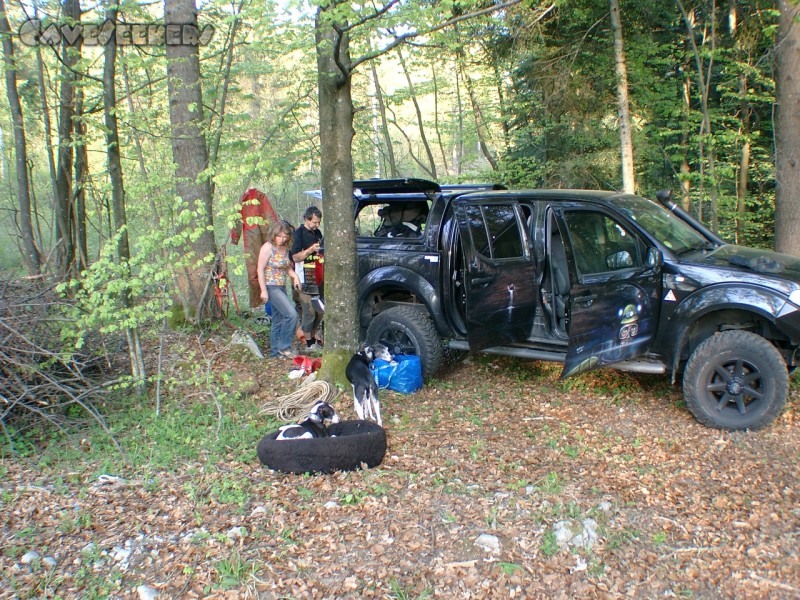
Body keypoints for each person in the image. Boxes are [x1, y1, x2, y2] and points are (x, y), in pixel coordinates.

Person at [230, 189, 279, 315]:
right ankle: (260, 302)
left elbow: (271, 218)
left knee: (260, 270)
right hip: (254, 237)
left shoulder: (258, 197)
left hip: (255, 237)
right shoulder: (251, 198)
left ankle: (264, 303)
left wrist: (235, 238)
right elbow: (272, 218)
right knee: (257, 270)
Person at [257, 221, 302, 358]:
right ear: (274, 235)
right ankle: (284, 347)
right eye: (279, 236)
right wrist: (263, 290)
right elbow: (260, 269)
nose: (282, 239)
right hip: (271, 286)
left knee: (277, 320)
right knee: (291, 314)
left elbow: (287, 267)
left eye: (285, 237)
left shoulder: (286, 249)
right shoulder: (268, 247)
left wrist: (295, 277)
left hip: (281, 286)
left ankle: (275, 353)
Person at [291, 206, 324, 353]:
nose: (316, 225)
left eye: (318, 222)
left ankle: (311, 337)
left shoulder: (317, 233)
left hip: (317, 276)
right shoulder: (298, 234)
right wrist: (310, 250)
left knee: (320, 310)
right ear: (306, 219)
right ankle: (307, 343)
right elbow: (295, 257)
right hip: (302, 277)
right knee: (308, 311)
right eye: (314, 222)